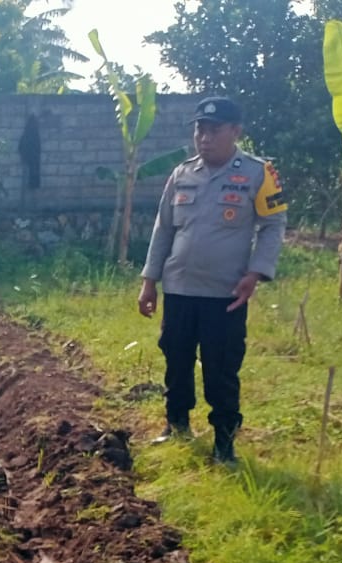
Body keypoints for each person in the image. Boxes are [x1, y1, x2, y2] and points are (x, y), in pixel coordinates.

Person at [137, 96, 288, 465]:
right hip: (179, 288)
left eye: (214, 130)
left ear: (235, 132)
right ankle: (176, 424)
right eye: (199, 129)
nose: (204, 138)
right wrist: (149, 280)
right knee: (176, 358)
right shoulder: (182, 174)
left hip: (225, 293)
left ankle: (224, 440)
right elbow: (162, 230)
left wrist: (256, 272)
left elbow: (273, 225)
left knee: (221, 367)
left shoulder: (259, 173)